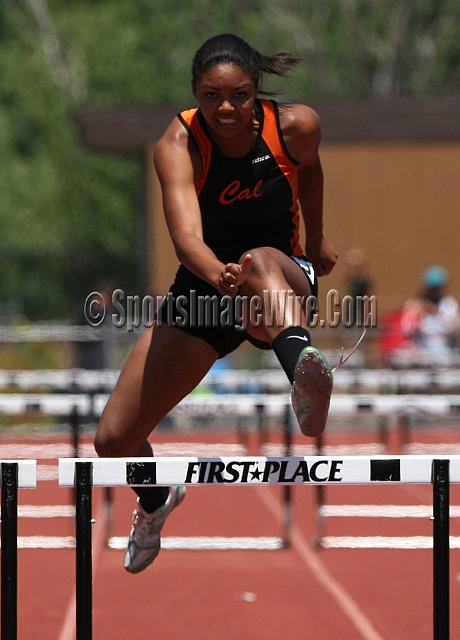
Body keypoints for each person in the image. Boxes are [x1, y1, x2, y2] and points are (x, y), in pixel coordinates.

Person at [94, 33, 338, 574]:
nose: (225, 108)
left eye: (240, 95)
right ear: (194, 93)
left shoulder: (295, 125)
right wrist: (216, 276)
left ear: (257, 90)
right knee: (113, 439)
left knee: (257, 262)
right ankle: (157, 502)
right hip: (204, 287)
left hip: (280, 280)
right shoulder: (177, 144)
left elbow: (312, 171)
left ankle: (303, 369)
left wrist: (316, 240)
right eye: (211, 96)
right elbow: (185, 238)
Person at [382, 265, 460, 366]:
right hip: (420, 350)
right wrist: (418, 316)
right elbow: (407, 328)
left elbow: (454, 327)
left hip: (443, 349)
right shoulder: (415, 304)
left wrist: (435, 311)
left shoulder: (449, 304)